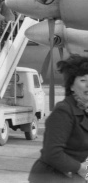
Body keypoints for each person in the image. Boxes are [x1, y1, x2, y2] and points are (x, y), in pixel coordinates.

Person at [28, 55, 88, 183]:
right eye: (83, 80)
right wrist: (81, 168)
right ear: (71, 86)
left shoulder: (84, 110)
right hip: (51, 177)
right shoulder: (64, 111)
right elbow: (52, 153)